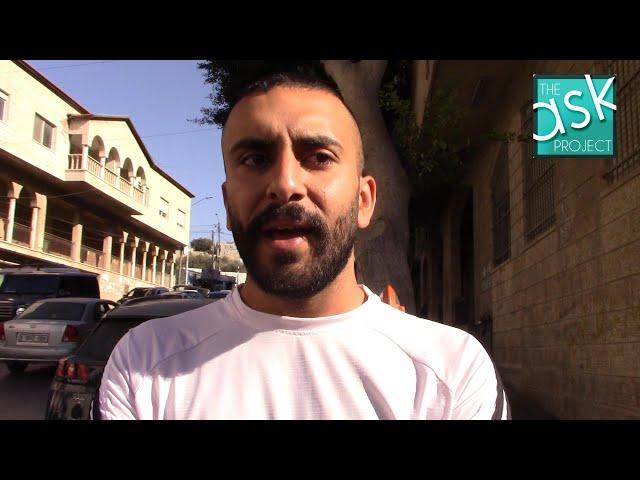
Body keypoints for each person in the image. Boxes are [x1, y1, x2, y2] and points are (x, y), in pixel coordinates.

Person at [99, 72, 510, 420]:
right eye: (255, 160)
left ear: (364, 200)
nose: (285, 184)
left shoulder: (451, 371)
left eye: (318, 157)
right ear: (227, 202)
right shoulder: (143, 364)